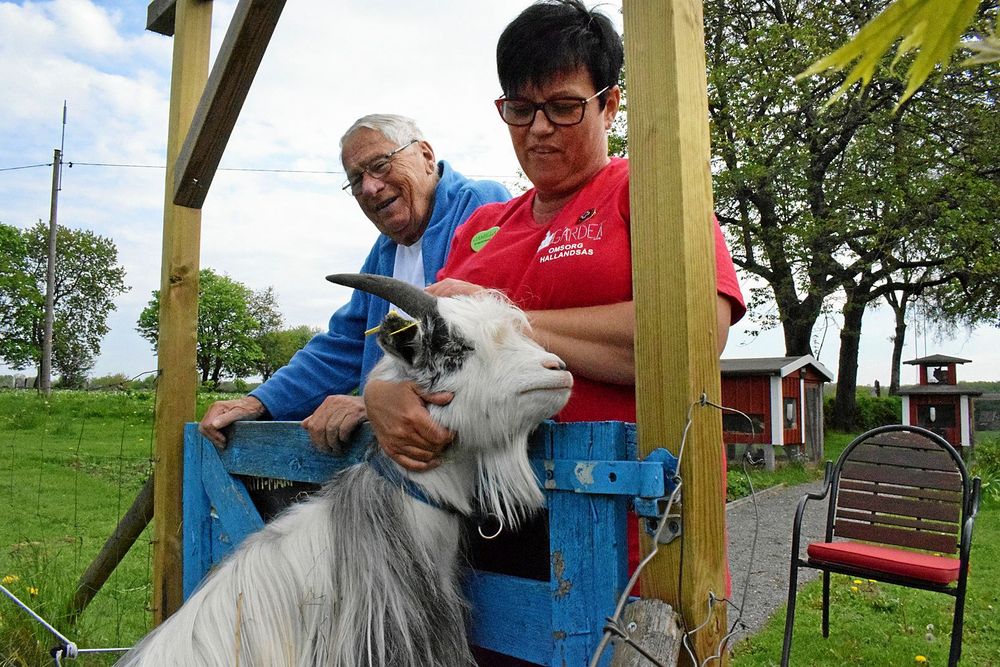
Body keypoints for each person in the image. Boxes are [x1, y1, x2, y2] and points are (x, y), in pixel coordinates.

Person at [361, 0, 747, 622]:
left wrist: (500, 323)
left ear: (610, 104)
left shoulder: (645, 190)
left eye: (564, 106)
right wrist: (379, 398)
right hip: (481, 537)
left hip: (628, 534)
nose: (539, 128)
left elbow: (696, 335)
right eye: (520, 108)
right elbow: (423, 354)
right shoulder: (482, 228)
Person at [198, 114, 510, 451]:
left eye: (380, 165)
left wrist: (375, 405)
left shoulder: (480, 205)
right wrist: (257, 403)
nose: (370, 187)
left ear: (426, 156)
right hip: (407, 458)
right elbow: (344, 344)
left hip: (475, 455)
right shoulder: (386, 251)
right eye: (356, 180)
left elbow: (479, 339)